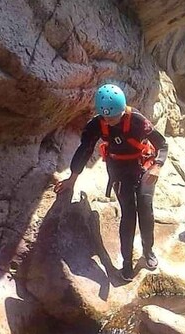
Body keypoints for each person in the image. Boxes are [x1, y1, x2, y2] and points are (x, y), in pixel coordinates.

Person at [53, 84, 169, 282]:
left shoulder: (138, 120)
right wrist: (72, 180)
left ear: (123, 110)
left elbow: (162, 144)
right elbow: (85, 150)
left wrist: (157, 166)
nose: (110, 122)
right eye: (106, 118)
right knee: (129, 214)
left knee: (145, 209)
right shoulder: (97, 123)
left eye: (114, 117)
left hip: (142, 167)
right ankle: (126, 263)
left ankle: (148, 252)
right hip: (119, 170)